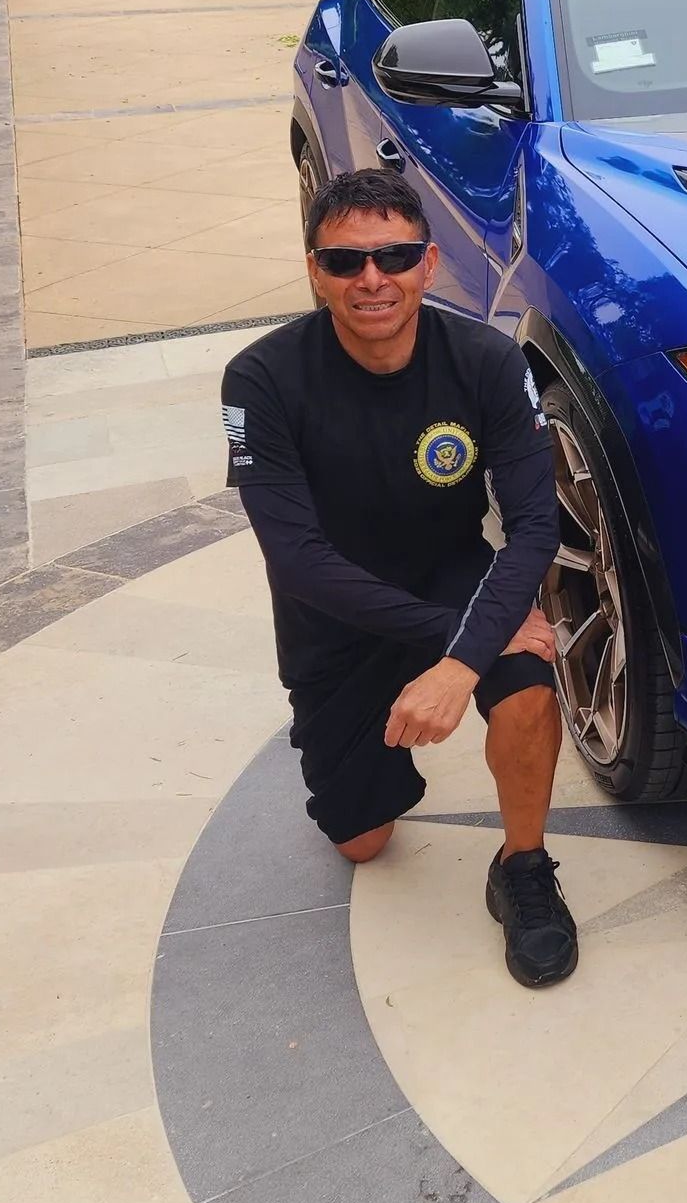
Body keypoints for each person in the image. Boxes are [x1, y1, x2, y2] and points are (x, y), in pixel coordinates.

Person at [219, 169, 577, 987]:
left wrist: (470, 653)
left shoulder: (486, 360)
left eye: (395, 256)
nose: (371, 278)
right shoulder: (260, 379)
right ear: (315, 271)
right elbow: (297, 560)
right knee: (363, 841)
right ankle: (381, 738)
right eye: (345, 261)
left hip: (450, 574)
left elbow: (534, 527)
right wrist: (458, 645)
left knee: (527, 686)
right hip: (333, 613)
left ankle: (524, 869)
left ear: (428, 262)